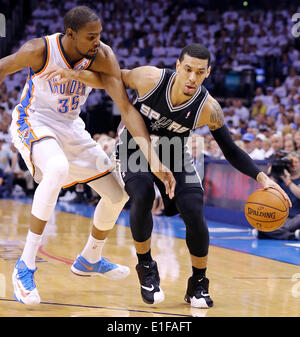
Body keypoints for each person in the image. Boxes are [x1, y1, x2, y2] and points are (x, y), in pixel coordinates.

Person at [45, 43, 291, 309]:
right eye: (187, 70)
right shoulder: (151, 78)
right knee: (143, 194)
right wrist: (75, 75)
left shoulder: (208, 107)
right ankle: (146, 266)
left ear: (207, 73)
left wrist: (262, 178)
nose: (192, 78)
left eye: (199, 72)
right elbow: (111, 78)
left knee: (194, 208)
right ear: (177, 66)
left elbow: (230, 149)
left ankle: (198, 282)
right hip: (134, 145)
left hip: (174, 152)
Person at [0, 6, 175, 305]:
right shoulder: (39, 49)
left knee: (117, 195)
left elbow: (126, 108)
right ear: (70, 34)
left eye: (100, 35)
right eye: (91, 36)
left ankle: (90, 258)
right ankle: (25, 265)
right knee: (55, 168)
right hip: (34, 120)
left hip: (71, 128)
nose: (98, 41)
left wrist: (155, 160)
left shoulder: (103, 56)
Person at [255, 151, 300, 240]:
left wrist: (288, 181)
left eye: (296, 162)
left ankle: (271, 232)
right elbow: (267, 192)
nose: (293, 164)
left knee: (265, 229)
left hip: (297, 217)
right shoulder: (280, 177)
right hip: (282, 217)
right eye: (290, 162)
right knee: (260, 222)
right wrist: (272, 173)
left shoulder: (287, 179)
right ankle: (292, 236)